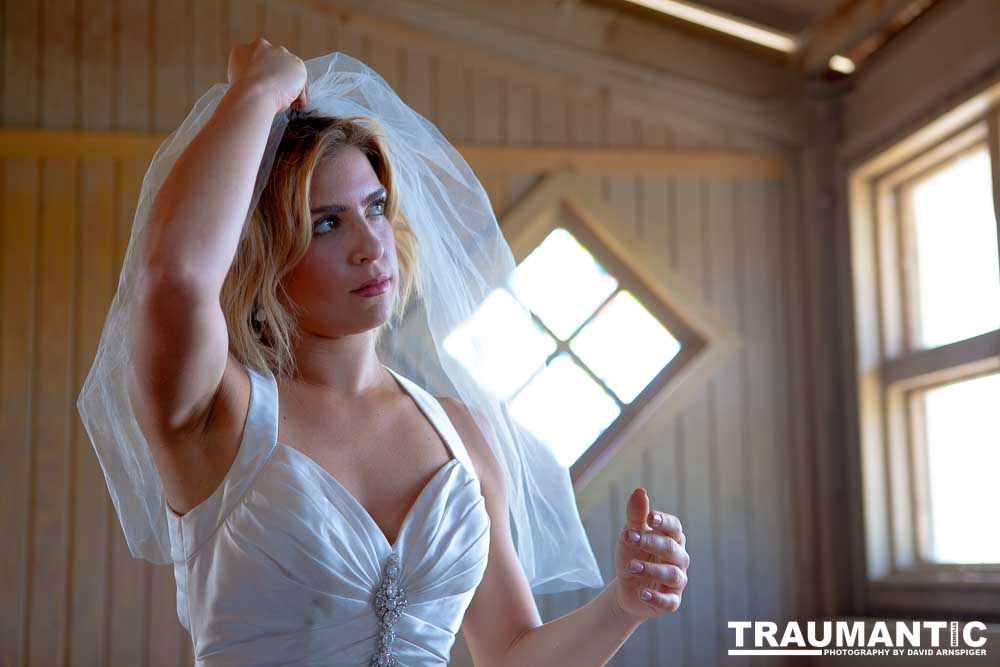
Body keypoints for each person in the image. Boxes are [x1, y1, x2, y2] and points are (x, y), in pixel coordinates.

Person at [77, 38, 689, 666]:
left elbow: (509, 653)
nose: (372, 245)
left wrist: (624, 605)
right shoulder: (215, 413)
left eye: (374, 208)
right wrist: (258, 89)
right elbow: (176, 276)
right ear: (262, 253)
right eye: (325, 223)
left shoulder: (463, 434)